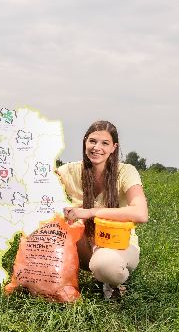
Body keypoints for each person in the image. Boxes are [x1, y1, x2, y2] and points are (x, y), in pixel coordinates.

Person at [56, 120, 148, 300]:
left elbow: (141, 213)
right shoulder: (70, 171)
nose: (96, 147)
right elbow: (40, 186)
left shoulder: (126, 172)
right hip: (82, 245)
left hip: (117, 245)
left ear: (114, 148)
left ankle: (112, 281)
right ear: (85, 142)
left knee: (106, 265)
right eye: (92, 141)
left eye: (104, 143)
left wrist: (90, 211)